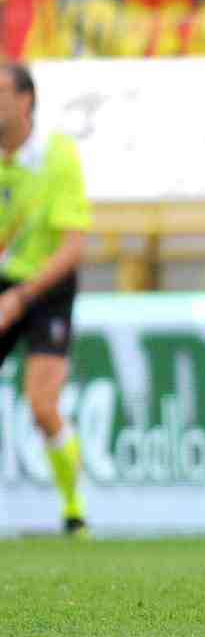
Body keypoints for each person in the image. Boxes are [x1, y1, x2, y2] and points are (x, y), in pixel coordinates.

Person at [0, 63, 91, 536]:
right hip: (4, 284)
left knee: (41, 406)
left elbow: (73, 246)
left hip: (47, 287)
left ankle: (74, 510)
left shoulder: (56, 156)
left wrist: (21, 297)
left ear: (25, 100)